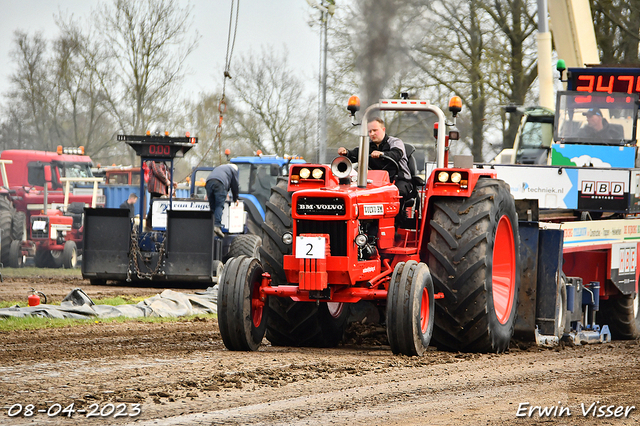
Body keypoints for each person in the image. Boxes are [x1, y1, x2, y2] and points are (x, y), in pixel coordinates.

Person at [338, 117, 412, 207]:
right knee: (360, 192)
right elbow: (356, 154)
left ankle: (398, 218)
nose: (372, 134)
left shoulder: (395, 142)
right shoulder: (366, 145)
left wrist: (382, 154)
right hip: (375, 182)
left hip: (397, 179)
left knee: (398, 192)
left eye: (375, 130)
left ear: (383, 129)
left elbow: (396, 154)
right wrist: (346, 152)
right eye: (369, 131)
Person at [205, 163, 239, 238]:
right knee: (219, 206)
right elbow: (235, 185)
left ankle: (211, 226)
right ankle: (217, 226)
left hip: (208, 182)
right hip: (220, 183)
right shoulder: (233, 170)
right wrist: (235, 198)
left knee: (212, 206)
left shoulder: (221, 168)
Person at [146, 161, 172, 229]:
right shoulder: (155, 160)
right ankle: (150, 226)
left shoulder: (164, 163)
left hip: (162, 189)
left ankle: (157, 225)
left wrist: (171, 182)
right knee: (154, 206)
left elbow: (166, 174)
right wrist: (167, 181)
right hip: (156, 187)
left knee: (158, 208)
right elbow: (157, 171)